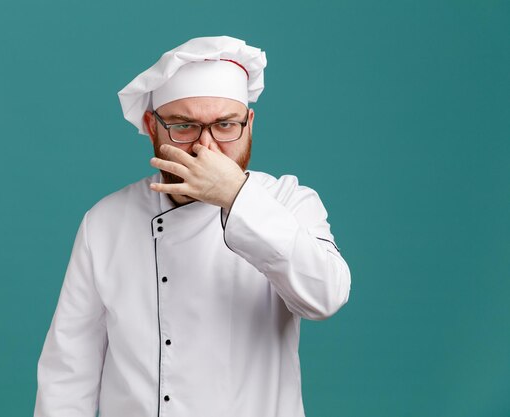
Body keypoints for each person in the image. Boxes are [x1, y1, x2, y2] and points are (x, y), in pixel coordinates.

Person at [34, 35, 351, 417]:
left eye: (225, 125)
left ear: (249, 124)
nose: (207, 147)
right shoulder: (105, 222)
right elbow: (69, 374)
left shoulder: (289, 201)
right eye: (184, 126)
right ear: (152, 126)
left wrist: (236, 196)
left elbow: (325, 297)